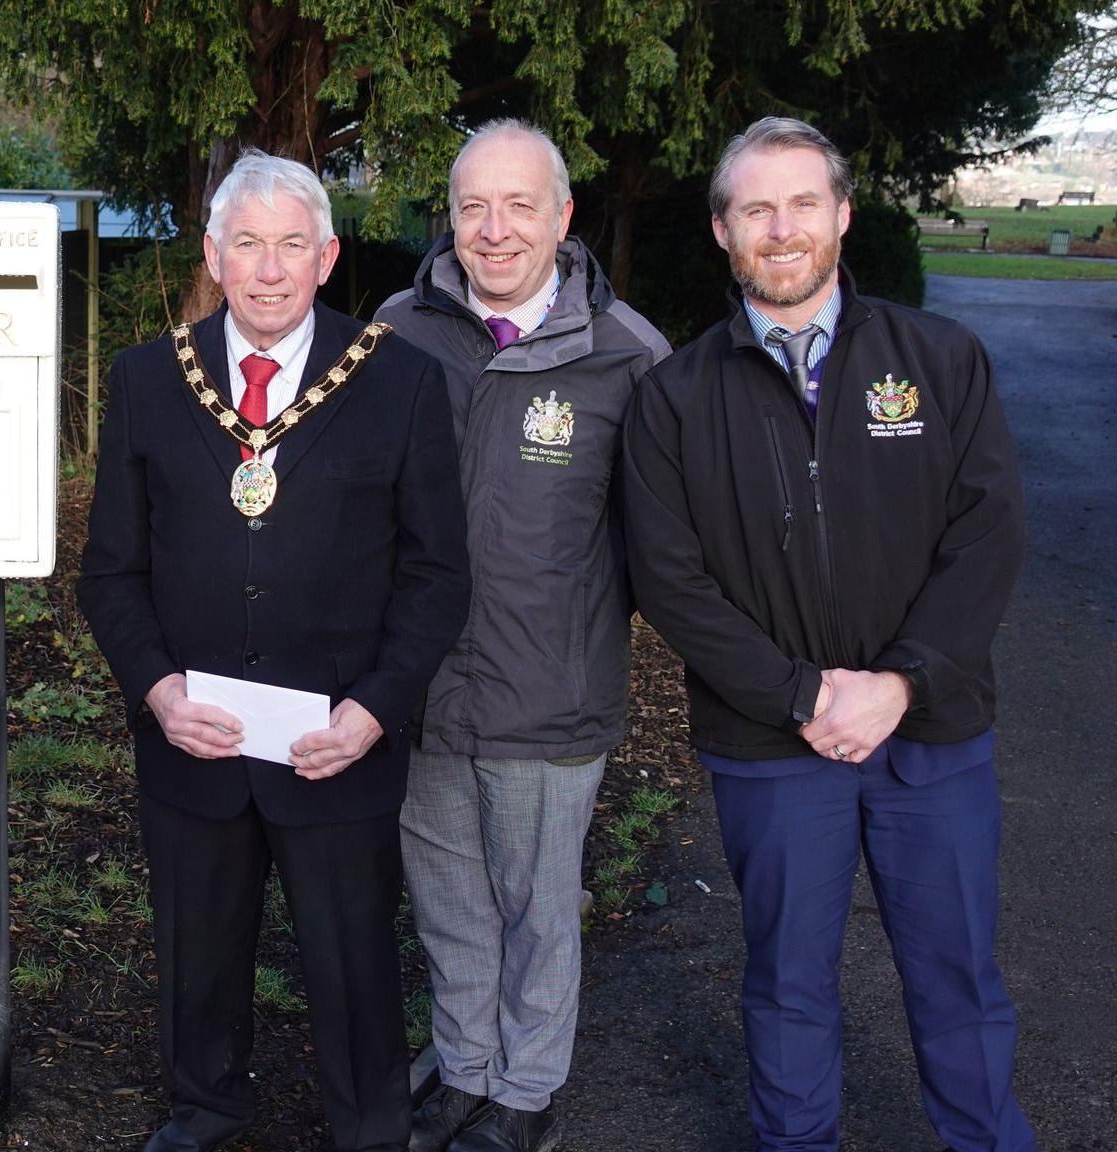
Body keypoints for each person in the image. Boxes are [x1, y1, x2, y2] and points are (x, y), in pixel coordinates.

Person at [620, 116, 1034, 1151]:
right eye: (755, 208)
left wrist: (898, 684)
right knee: (787, 986)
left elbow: (986, 536)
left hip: (929, 736)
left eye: (803, 203)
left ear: (842, 216)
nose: (781, 228)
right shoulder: (672, 396)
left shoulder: (935, 358)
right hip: (772, 744)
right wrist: (802, 694)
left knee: (956, 980)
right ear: (721, 230)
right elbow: (669, 580)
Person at [78, 150, 473, 1152]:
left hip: (335, 739)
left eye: (289, 244)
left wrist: (376, 708)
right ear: (211, 255)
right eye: (245, 243)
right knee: (196, 954)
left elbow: (435, 576)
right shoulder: (147, 380)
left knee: (350, 963)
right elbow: (109, 571)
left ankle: (368, 1125)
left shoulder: (400, 384)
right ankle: (202, 1110)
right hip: (191, 740)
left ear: (326, 255)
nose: (266, 268)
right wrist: (158, 694)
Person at [374, 120, 670, 1152]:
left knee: (536, 907)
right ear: (448, 217)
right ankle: (461, 1068)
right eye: (470, 207)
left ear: (561, 218)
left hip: (547, 692)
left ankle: (527, 1091)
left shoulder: (624, 355)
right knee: (448, 901)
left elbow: (657, 545)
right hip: (417, 686)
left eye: (517, 207)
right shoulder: (394, 331)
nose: (492, 232)